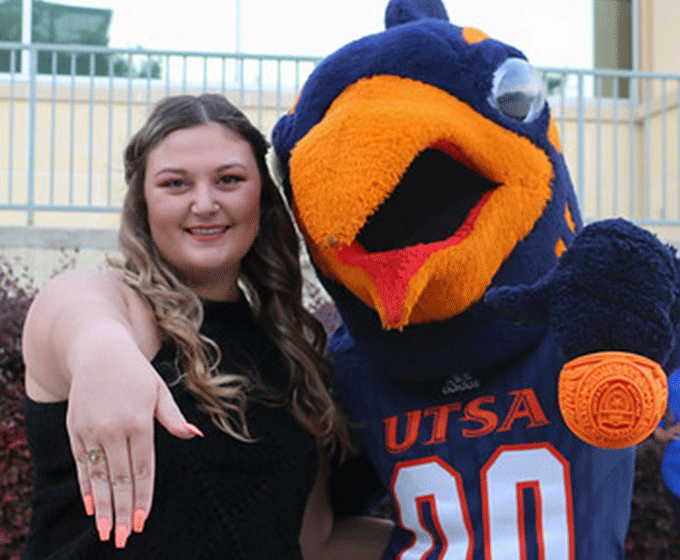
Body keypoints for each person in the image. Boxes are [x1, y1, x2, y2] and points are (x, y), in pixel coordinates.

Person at [21, 93, 392, 559]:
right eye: (175, 184)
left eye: (229, 180)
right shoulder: (120, 309)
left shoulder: (292, 357)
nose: (204, 204)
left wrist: (464, 537)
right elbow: (75, 310)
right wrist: (101, 354)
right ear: (143, 201)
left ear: (262, 195)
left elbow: (313, 543)